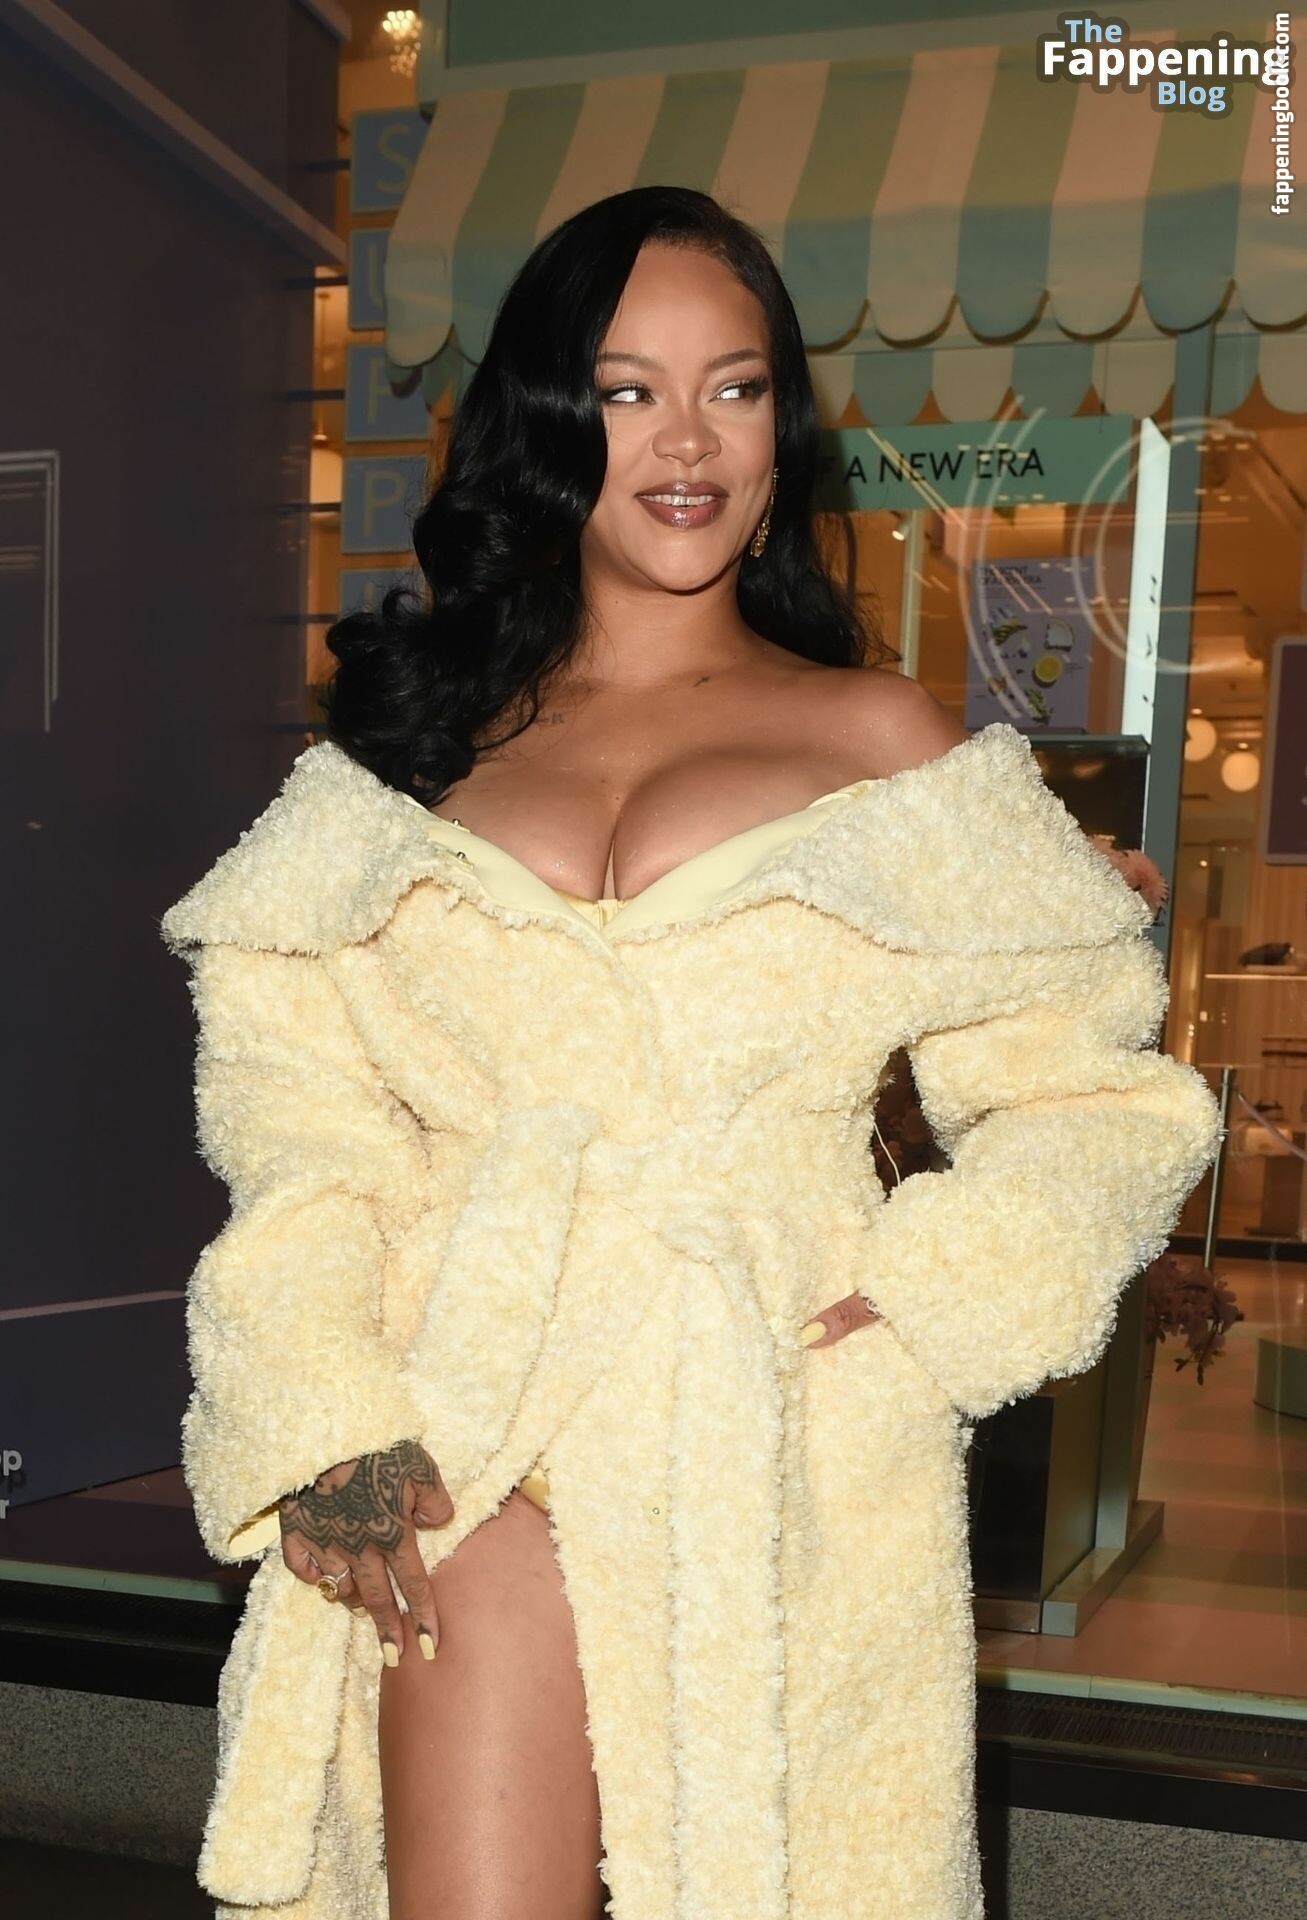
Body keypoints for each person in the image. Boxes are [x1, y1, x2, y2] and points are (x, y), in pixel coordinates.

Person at [159, 187, 1223, 1920]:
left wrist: (937, 1296)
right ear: (549, 422)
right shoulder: (406, 758)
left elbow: (1093, 1090)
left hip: (775, 1420)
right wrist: (318, 1411)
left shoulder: (878, 738)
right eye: (628, 389)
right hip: (471, 1398)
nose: (687, 442)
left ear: (780, 429)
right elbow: (302, 1129)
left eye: (734, 388)